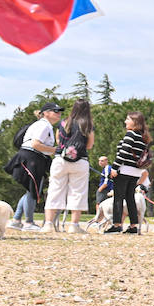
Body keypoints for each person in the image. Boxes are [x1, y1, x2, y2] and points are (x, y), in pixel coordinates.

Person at [43, 98, 94, 233]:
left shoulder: (64, 123)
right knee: (78, 192)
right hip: (80, 160)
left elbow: (59, 140)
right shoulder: (87, 125)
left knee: (54, 190)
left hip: (61, 159)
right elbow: (89, 145)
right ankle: (74, 225)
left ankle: (48, 223)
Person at [7, 102, 62, 226]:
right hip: (33, 156)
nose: (59, 114)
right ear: (46, 113)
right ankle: (29, 222)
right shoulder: (44, 126)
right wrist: (56, 150)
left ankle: (16, 220)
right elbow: (36, 144)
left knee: (30, 190)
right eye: (56, 111)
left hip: (32, 156)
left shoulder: (44, 125)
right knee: (33, 191)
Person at [107, 111, 151, 235]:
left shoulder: (130, 134)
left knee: (118, 198)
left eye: (128, 119)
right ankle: (133, 226)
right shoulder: (144, 137)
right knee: (130, 198)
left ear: (135, 122)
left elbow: (123, 152)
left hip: (124, 169)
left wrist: (114, 168)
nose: (125, 121)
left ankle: (116, 225)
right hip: (136, 172)